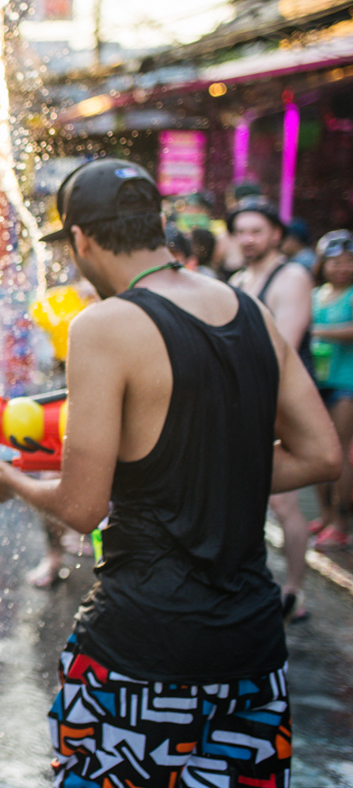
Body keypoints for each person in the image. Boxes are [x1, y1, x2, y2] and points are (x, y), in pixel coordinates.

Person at [0, 158, 340, 787]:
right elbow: (322, 455)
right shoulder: (248, 310)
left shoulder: (104, 325)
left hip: (140, 650)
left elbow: (82, 507)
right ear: (156, 224)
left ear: (81, 240)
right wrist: (205, 470)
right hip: (250, 650)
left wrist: (10, 481)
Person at [228, 196, 316, 619]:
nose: (247, 239)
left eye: (256, 231)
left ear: (276, 235)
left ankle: (295, 590)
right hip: (249, 400)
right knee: (245, 496)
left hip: (281, 402)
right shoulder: (241, 279)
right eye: (241, 231)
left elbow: (286, 347)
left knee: (284, 503)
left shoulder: (292, 276)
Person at [309, 230, 353, 552]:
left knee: (339, 453)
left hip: (346, 384)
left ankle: (341, 523)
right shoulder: (314, 294)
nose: (342, 268)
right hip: (316, 383)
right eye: (335, 262)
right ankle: (324, 516)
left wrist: (317, 330)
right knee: (317, 452)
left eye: (349, 262)